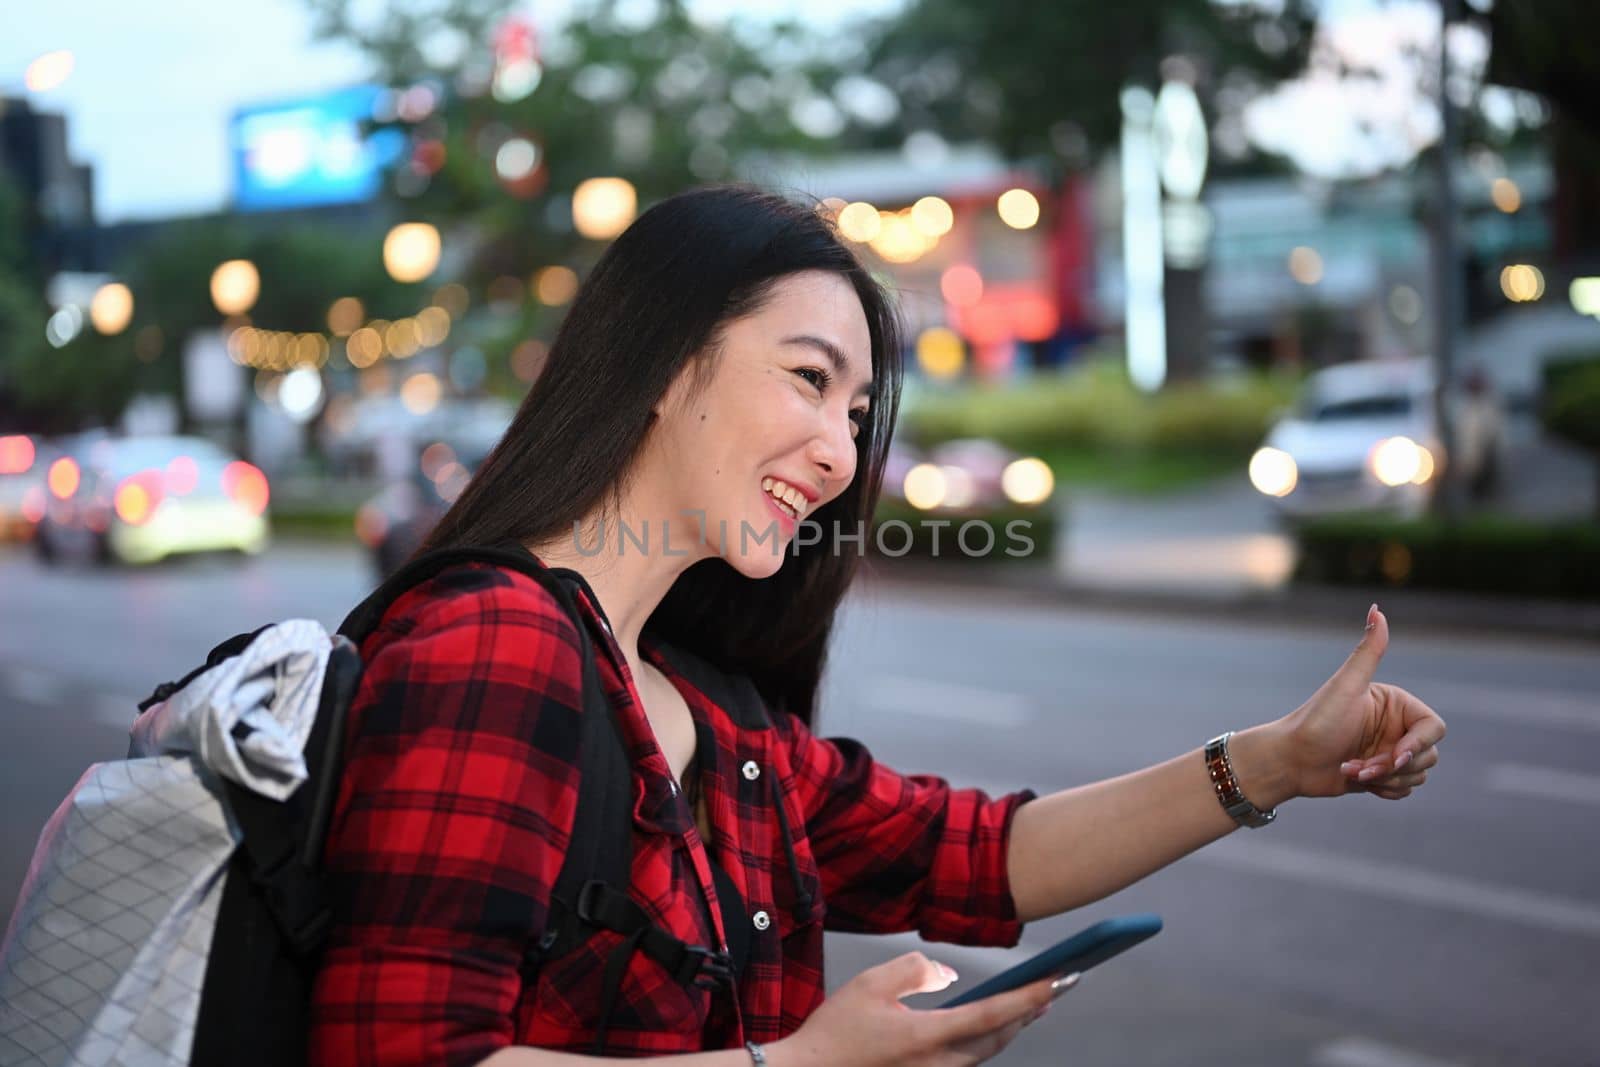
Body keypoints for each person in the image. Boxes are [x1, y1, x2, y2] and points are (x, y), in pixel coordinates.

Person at [307, 184, 1446, 1067]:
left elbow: (986, 854)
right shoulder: (493, 646)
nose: (842, 453)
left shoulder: (706, 710)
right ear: (661, 364)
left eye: (856, 413)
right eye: (808, 379)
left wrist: (1277, 759)